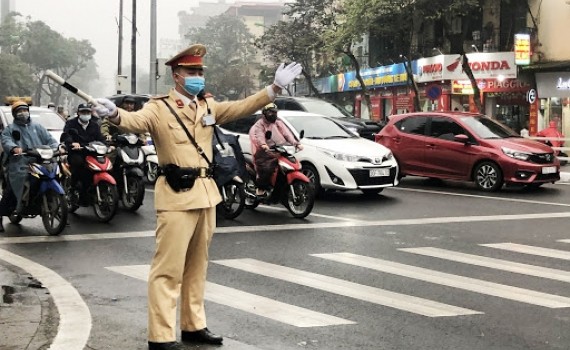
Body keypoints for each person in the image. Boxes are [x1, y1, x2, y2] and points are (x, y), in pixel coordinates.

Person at [92, 43, 302, 350]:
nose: (198, 76)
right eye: (192, 71)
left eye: (200, 71)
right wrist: (114, 114)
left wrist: (273, 89)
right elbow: (136, 122)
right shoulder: (160, 107)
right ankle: (161, 336)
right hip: (176, 197)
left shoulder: (207, 106)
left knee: (197, 267)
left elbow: (242, 106)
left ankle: (193, 325)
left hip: (206, 194)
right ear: (177, 75)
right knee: (168, 269)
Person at [0, 101, 58, 232]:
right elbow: (6, 141)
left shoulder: (38, 127)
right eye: (19, 111)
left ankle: (57, 211)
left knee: (55, 174)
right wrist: (14, 148)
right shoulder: (10, 129)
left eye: (24, 110)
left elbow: (50, 140)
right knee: (13, 189)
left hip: (40, 160)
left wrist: (57, 147)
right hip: (19, 163)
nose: (23, 113)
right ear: (15, 114)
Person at [249, 103, 303, 197]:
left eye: (275, 112)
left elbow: (287, 134)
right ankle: (261, 188)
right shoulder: (260, 124)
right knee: (267, 167)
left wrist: (296, 143)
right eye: (270, 112)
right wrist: (264, 145)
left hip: (278, 149)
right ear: (265, 113)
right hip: (263, 151)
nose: (273, 114)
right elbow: (260, 135)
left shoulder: (278, 123)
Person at [60, 103, 107, 203]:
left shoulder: (94, 125)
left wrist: (107, 145)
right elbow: (66, 135)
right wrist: (72, 143)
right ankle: (73, 188)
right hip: (77, 152)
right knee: (79, 165)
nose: (85, 114)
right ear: (78, 113)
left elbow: (100, 138)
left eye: (87, 112)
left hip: (91, 152)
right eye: (83, 112)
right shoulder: (71, 123)